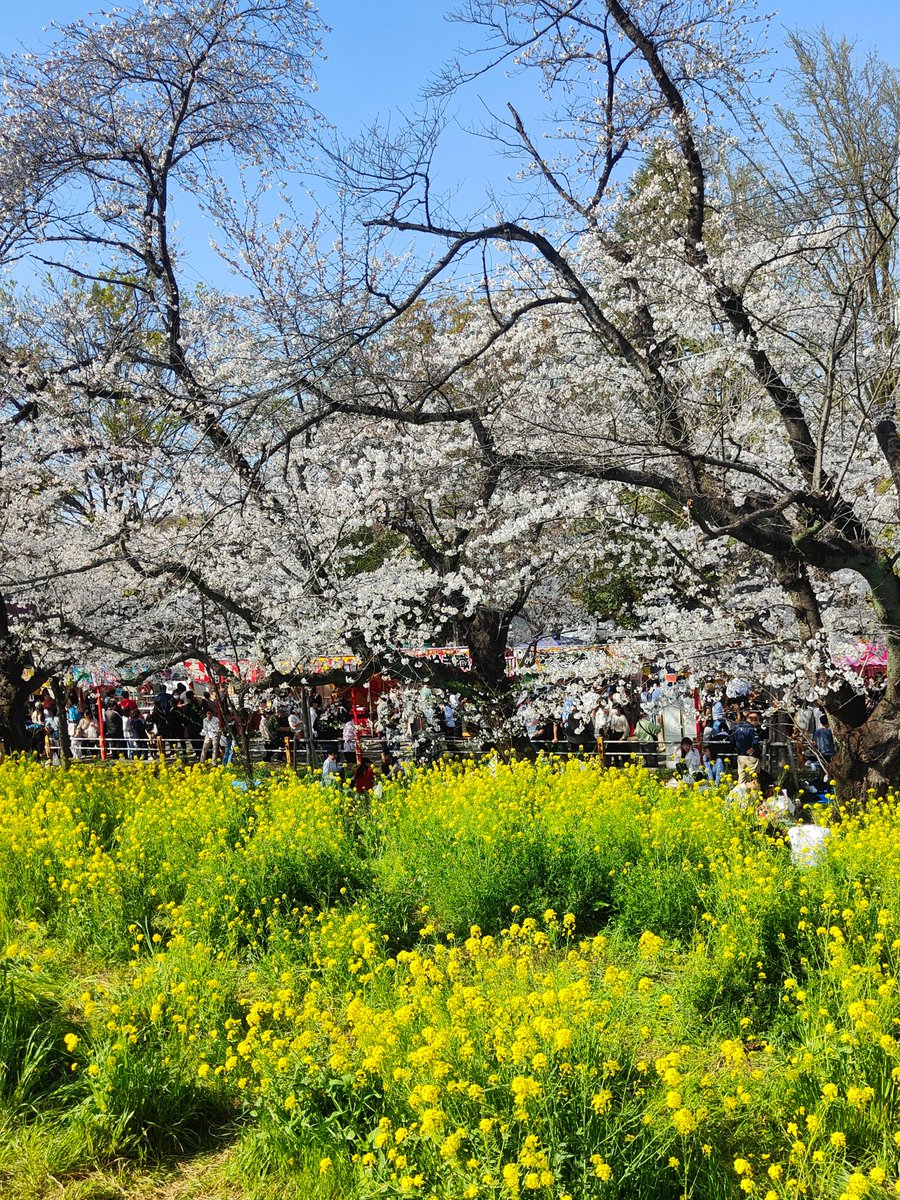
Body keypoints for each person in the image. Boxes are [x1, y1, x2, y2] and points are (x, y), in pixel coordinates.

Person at [787, 803, 830, 867]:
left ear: (796, 820)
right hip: (822, 867)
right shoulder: (826, 831)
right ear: (812, 817)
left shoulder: (792, 831)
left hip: (799, 868)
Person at [730, 711, 761, 785]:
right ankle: (754, 796)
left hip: (740, 756)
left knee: (741, 778)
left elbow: (731, 740)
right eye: (757, 720)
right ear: (753, 719)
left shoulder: (736, 727)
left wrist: (736, 748)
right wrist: (753, 748)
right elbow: (756, 741)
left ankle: (741, 795)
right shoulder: (751, 729)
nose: (757, 723)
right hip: (751, 756)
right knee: (753, 779)